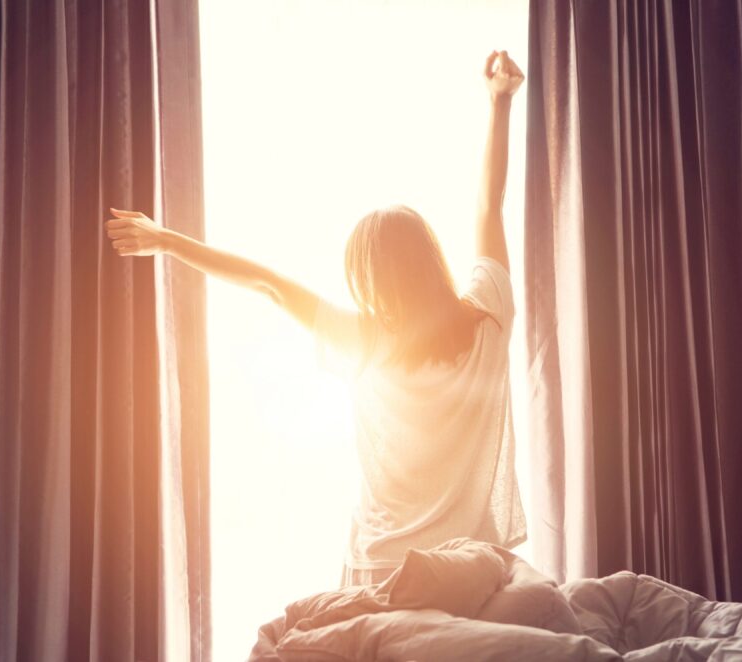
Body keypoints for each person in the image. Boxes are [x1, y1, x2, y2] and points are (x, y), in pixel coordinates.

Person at [105, 50, 527, 586]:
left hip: (384, 568)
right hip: (474, 569)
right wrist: (500, 102)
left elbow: (269, 284)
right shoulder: (488, 315)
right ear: (430, 260)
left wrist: (167, 242)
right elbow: (490, 206)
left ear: (369, 281)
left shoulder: (364, 341)